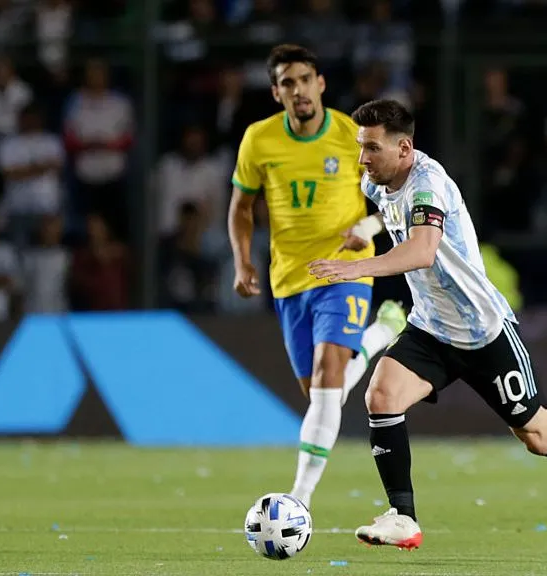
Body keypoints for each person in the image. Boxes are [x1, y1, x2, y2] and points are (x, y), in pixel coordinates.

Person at [309, 99, 547, 559]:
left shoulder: (429, 184)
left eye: (371, 148)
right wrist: (366, 228)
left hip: (482, 330)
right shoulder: (377, 180)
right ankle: (403, 516)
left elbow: (423, 251)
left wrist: (355, 267)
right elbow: (390, 218)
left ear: (404, 148)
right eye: (361, 147)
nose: (362, 158)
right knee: (381, 396)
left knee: (537, 435)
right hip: (430, 324)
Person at [228, 45, 407, 508]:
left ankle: (298, 501)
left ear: (320, 83)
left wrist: (365, 228)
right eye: (288, 82)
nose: (298, 89)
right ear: (276, 92)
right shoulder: (259, 140)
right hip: (289, 279)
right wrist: (242, 261)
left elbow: (393, 200)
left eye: (305, 79)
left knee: (329, 380)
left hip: (346, 271)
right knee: (321, 395)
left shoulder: (352, 136)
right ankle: (377, 337)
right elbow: (242, 206)